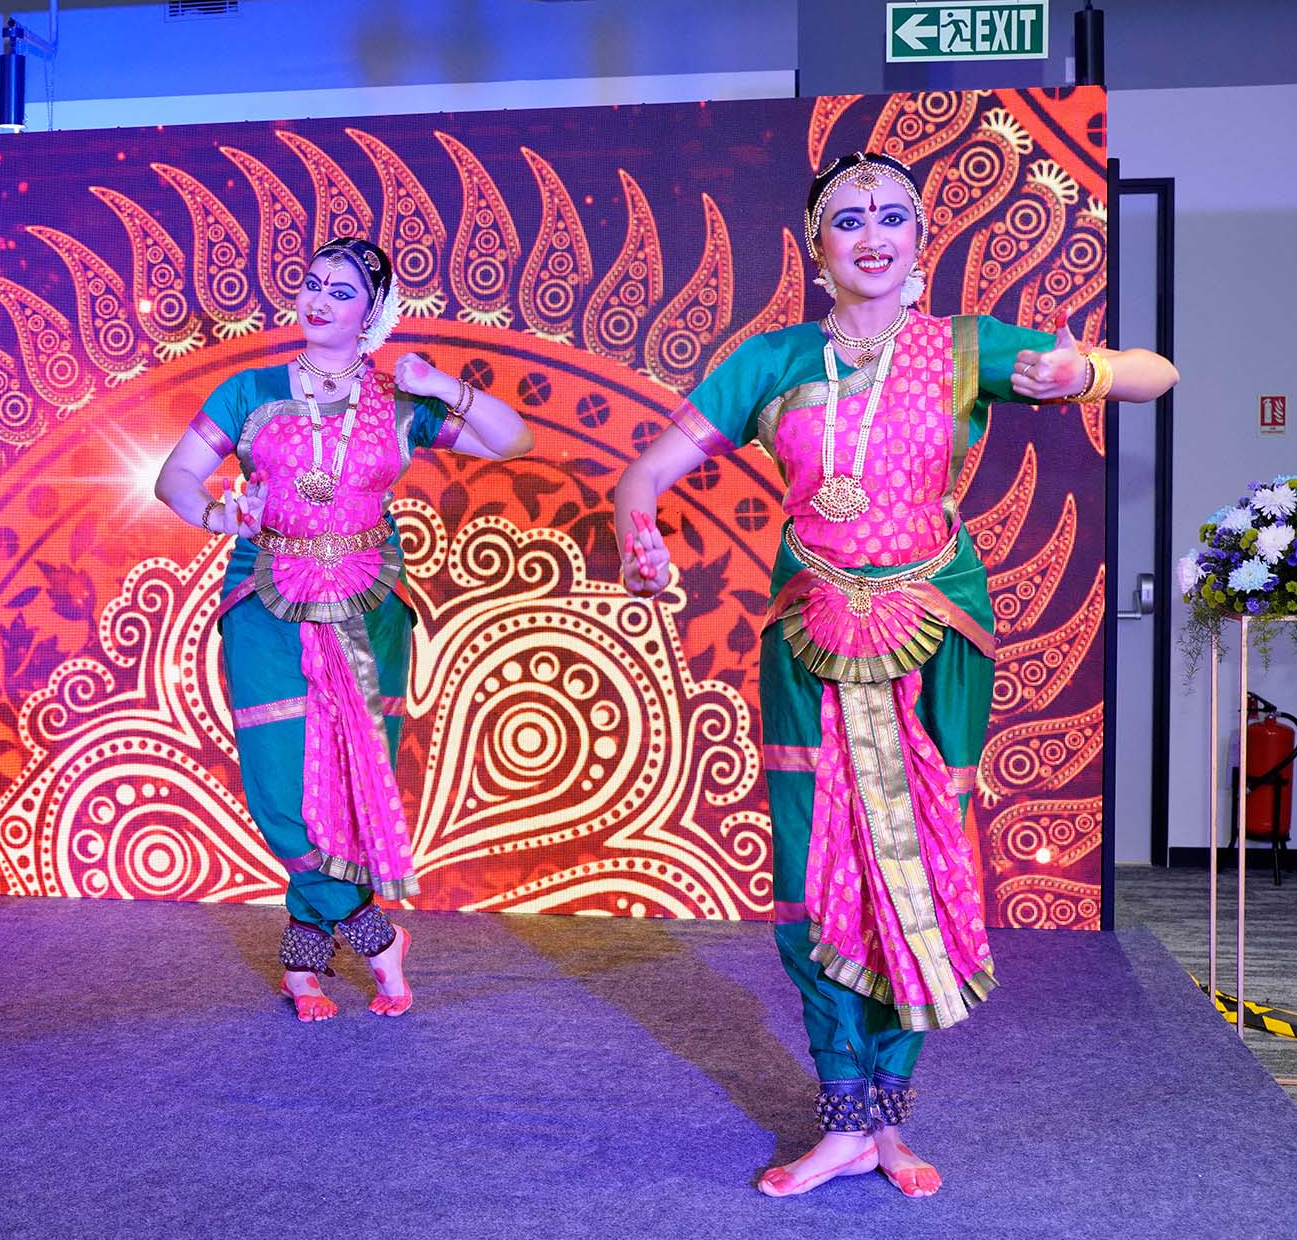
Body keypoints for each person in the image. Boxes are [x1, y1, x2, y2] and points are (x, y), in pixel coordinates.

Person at [611, 153, 1176, 1196]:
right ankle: (841, 1112)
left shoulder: (968, 347)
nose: (873, 235)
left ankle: (890, 1115)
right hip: (808, 630)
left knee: (917, 862)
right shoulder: (773, 357)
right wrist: (638, 524)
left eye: (893, 218)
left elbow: (1157, 372)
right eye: (849, 220)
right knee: (816, 866)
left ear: (921, 241)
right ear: (818, 248)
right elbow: (645, 469)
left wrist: (1082, 373)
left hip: (934, 628)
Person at [155, 237, 533, 1021]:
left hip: (369, 604)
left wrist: (444, 388)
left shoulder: (401, 401)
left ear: (374, 313)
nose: (318, 300)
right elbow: (175, 478)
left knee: (350, 787)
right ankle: (371, 931)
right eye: (311, 283)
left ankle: (302, 959)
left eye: (341, 291)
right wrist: (219, 514)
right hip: (263, 598)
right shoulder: (249, 390)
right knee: (281, 789)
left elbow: (514, 440)